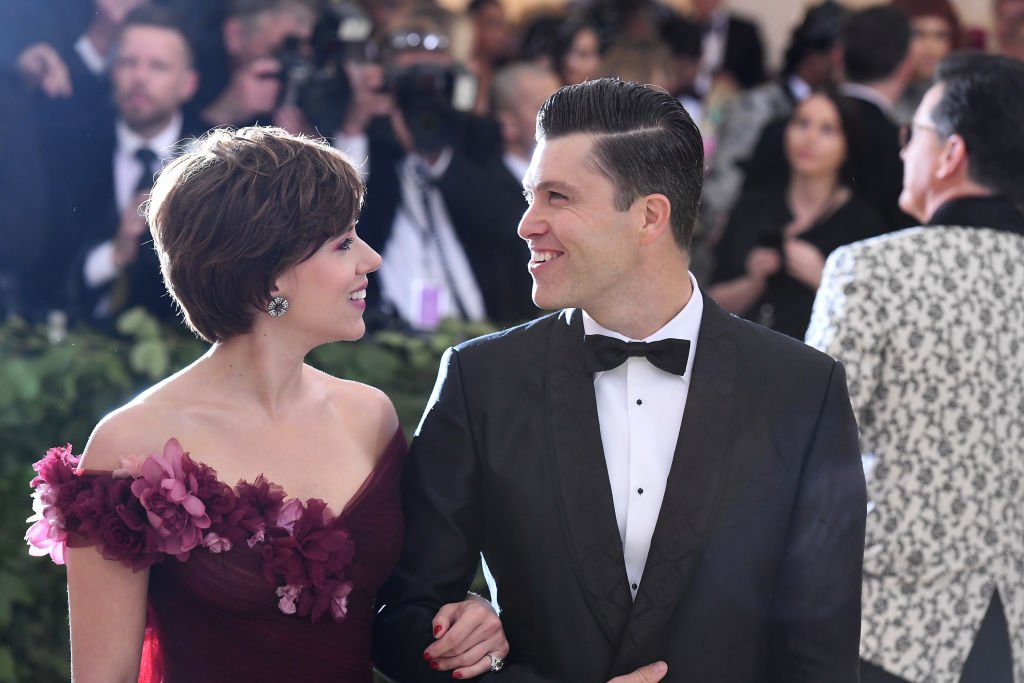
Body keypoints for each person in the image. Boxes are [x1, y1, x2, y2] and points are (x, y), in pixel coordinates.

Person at [374, 78, 866, 682]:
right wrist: (482, 651)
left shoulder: (803, 390)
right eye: (531, 195)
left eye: (557, 197)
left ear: (649, 216)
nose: (527, 223)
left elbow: (822, 652)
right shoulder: (482, 381)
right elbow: (400, 618)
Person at [24, 126, 505, 682]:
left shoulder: (370, 416)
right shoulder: (131, 444)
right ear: (269, 273)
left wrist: (471, 616)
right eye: (343, 242)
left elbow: (403, 605)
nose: (370, 259)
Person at [807, 52, 1024, 683]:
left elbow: (810, 437)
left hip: (890, 625)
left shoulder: (869, 269)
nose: (904, 149)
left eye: (914, 134)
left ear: (951, 155)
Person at [48, 6, 206, 323]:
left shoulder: (214, 161)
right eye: (128, 62)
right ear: (111, 70)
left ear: (188, 84)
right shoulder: (67, 150)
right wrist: (113, 256)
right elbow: (46, 266)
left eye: (158, 66)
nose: (140, 78)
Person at [708, 89, 885, 339]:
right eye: (801, 123)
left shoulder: (861, 224)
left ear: (847, 145)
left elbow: (873, 320)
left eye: (827, 129)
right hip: (740, 353)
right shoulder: (752, 206)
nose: (809, 138)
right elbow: (705, 303)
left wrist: (824, 279)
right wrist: (752, 283)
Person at [889, 0, 963, 124]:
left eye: (941, 35)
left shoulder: (960, 100)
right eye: (918, 34)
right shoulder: (881, 96)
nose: (930, 47)